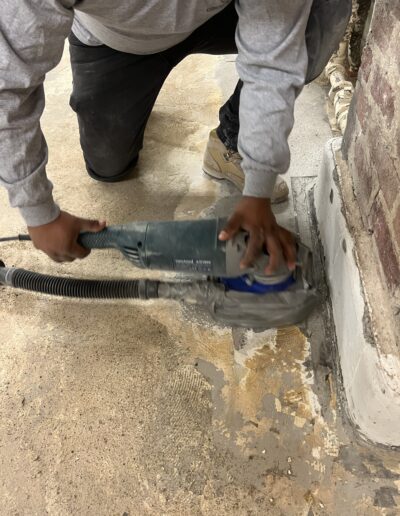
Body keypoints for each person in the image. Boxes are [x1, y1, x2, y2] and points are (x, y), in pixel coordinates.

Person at [0, 0, 350, 269]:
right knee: (109, 167)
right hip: (117, 39)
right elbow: (8, 84)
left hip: (219, 15)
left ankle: (231, 139)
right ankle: (135, 98)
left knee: (322, 10)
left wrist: (257, 187)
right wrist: (38, 212)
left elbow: (272, 60)